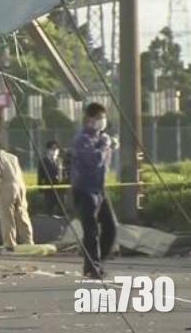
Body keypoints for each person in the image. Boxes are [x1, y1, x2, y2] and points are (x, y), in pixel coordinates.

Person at [71, 102, 118, 279]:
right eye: (100, 118)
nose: (103, 121)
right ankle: (92, 267)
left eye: (104, 118)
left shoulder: (101, 138)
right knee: (91, 231)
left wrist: (108, 144)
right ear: (90, 119)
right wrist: (106, 145)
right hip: (84, 189)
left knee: (111, 227)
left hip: (99, 189)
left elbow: (104, 163)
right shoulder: (82, 139)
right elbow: (93, 160)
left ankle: (97, 262)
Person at [0, 145, 34, 249]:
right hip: (21, 186)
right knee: (22, 215)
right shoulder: (12, 157)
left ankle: (9, 243)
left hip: (8, 187)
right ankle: (28, 242)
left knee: (7, 217)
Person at [38, 141, 64, 216]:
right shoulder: (43, 161)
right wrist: (40, 188)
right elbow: (40, 175)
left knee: (61, 207)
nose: (54, 151)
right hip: (48, 187)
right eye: (52, 149)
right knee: (49, 207)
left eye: (56, 149)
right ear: (48, 150)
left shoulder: (59, 160)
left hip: (59, 187)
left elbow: (62, 174)